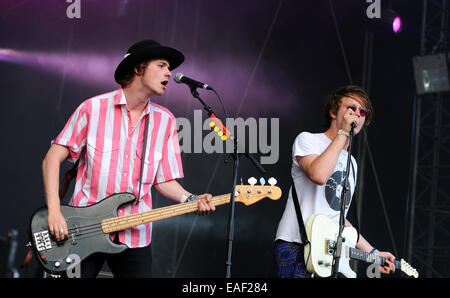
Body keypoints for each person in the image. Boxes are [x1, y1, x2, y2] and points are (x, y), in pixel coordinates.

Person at [41, 40, 215, 278]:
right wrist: (54, 211)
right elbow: (52, 159)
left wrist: (191, 199)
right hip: (82, 230)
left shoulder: (165, 121)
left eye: (169, 68)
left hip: (135, 234)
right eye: (162, 65)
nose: (169, 73)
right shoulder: (93, 109)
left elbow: (164, 180)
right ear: (138, 68)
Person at [274, 85, 396, 278]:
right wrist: (343, 133)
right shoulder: (308, 140)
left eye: (362, 112)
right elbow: (319, 175)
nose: (357, 114)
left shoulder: (352, 164)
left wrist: (372, 252)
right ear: (333, 112)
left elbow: (337, 217)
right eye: (351, 108)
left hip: (329, 252)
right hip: (297, 243)